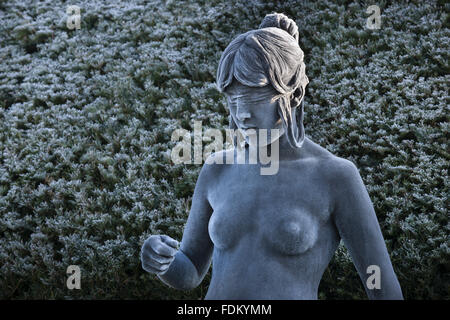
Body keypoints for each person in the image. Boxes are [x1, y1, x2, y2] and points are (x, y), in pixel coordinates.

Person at [141, 13, 403, 300]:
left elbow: (381, 286)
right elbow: (190, 270)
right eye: (233, 99)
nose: (242, 113)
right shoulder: (218, 169)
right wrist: (163, 262)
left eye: (254, 97)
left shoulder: (335, 176)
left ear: (295, 94)